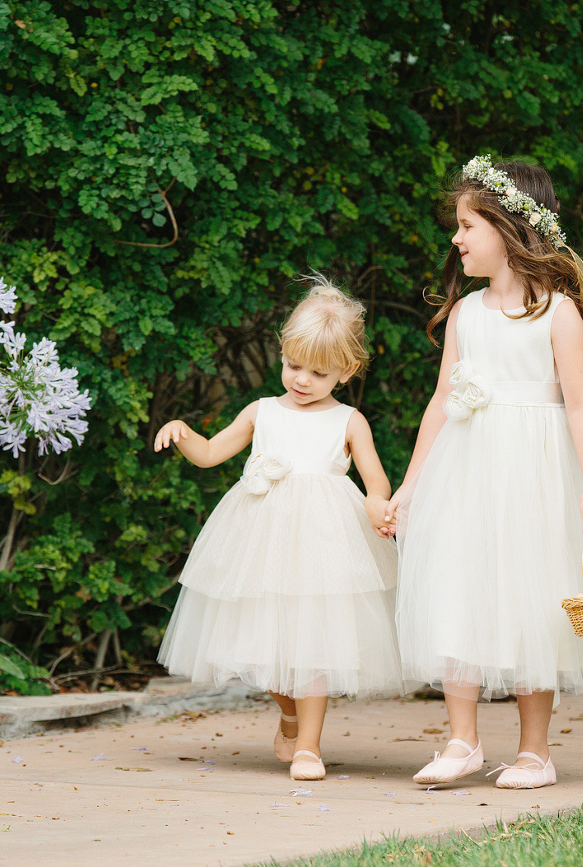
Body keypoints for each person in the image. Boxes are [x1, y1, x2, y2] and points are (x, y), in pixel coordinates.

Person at [383, 155, 583, 790]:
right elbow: (441, 401)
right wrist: (411, 484)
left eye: (467, 225)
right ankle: (461, 739)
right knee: (458, 587)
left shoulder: (556, 313)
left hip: (534, 475)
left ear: (509, 228)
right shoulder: (466, 315)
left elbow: (582, 405)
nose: (455, 239)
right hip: (465, 471)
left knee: (529, 599)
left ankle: (535, 751)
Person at [155, 278, 402, 781]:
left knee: (314, 642)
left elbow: (376, 482)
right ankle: (288, 714)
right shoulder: (261, 411)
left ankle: (309, 746)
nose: (302, 380)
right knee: (263, 643)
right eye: (293, 365)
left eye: (318, 371)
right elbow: (209, 453)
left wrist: (379, 507)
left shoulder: (350, 421)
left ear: (347, 371)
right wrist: (182, 435)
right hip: (262, 545)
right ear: (282, 354)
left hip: (326, 546)